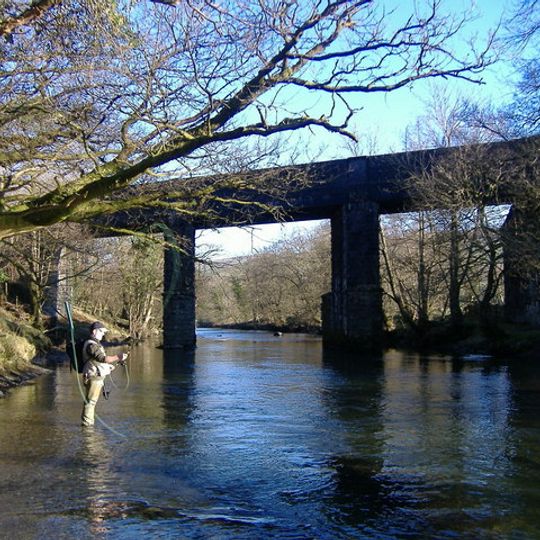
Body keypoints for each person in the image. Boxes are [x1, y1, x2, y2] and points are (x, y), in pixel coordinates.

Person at [81, 321, 127, 427]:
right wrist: (118, 357)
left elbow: (97, 361)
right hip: (93, 377)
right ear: (94, 331)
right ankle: (87, 426)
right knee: (90, 402)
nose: (103, 334)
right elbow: (102, 358)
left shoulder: (95, 344)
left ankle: (87, 424)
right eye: (101, 331)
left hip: (95, 376)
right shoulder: (91, 345)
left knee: (91, 402)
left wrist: (108, 368)